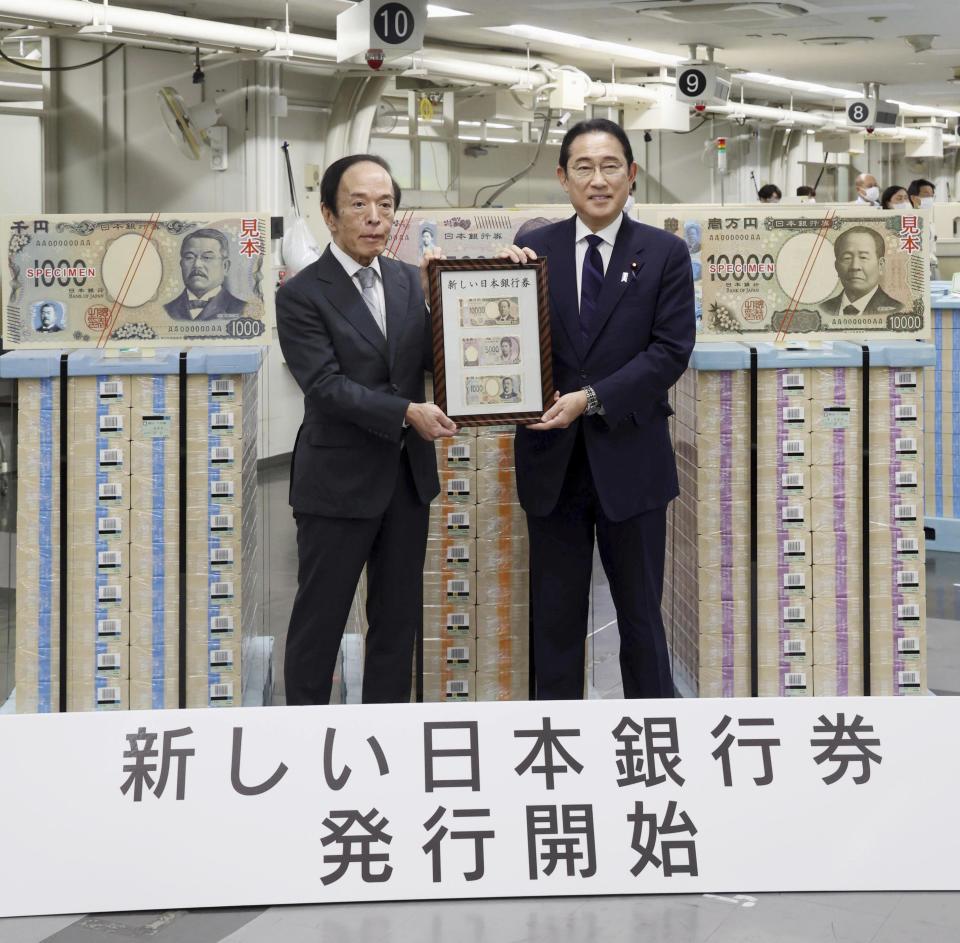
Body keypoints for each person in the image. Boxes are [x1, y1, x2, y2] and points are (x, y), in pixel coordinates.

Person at [501, 117, 695, 700]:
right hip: (551, 463)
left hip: (630, 460)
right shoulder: (533, 252)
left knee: (640, 619)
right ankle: (552, 745)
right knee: (554, 620)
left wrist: (592, 398)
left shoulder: (664, 253)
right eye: (583, 167)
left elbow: (669, 352)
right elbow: (501, 343)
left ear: (632, 176)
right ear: (563, 178)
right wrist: (494, 290)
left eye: (611, 166)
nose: (598, 179)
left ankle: (654, 739)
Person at [276, 153, 456, 705]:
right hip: (337, 482)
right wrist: (406, 413)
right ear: (329, 215)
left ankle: (387, 737)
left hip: (405, 481)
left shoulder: (410, 281)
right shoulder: (302, 294)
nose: (375, 216)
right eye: (359, 204)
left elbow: (437, 359)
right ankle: (303, 735)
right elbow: (326, 385)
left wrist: (465, 295)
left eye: (385, 204)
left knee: (396, 623)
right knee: (320, 623)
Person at [820, 226, 904, 317]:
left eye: (863, 257)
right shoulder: (823, 309)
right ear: (837, 266)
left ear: (880, 265)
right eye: (847, 258)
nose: (855, 266)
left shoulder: (897, 310)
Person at [164, 229, 247, 321]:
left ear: (225, 266)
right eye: (189, 257)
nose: (197, 265)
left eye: (207, 257)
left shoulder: (244, 310)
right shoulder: (164, 311)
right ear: (181, 264)